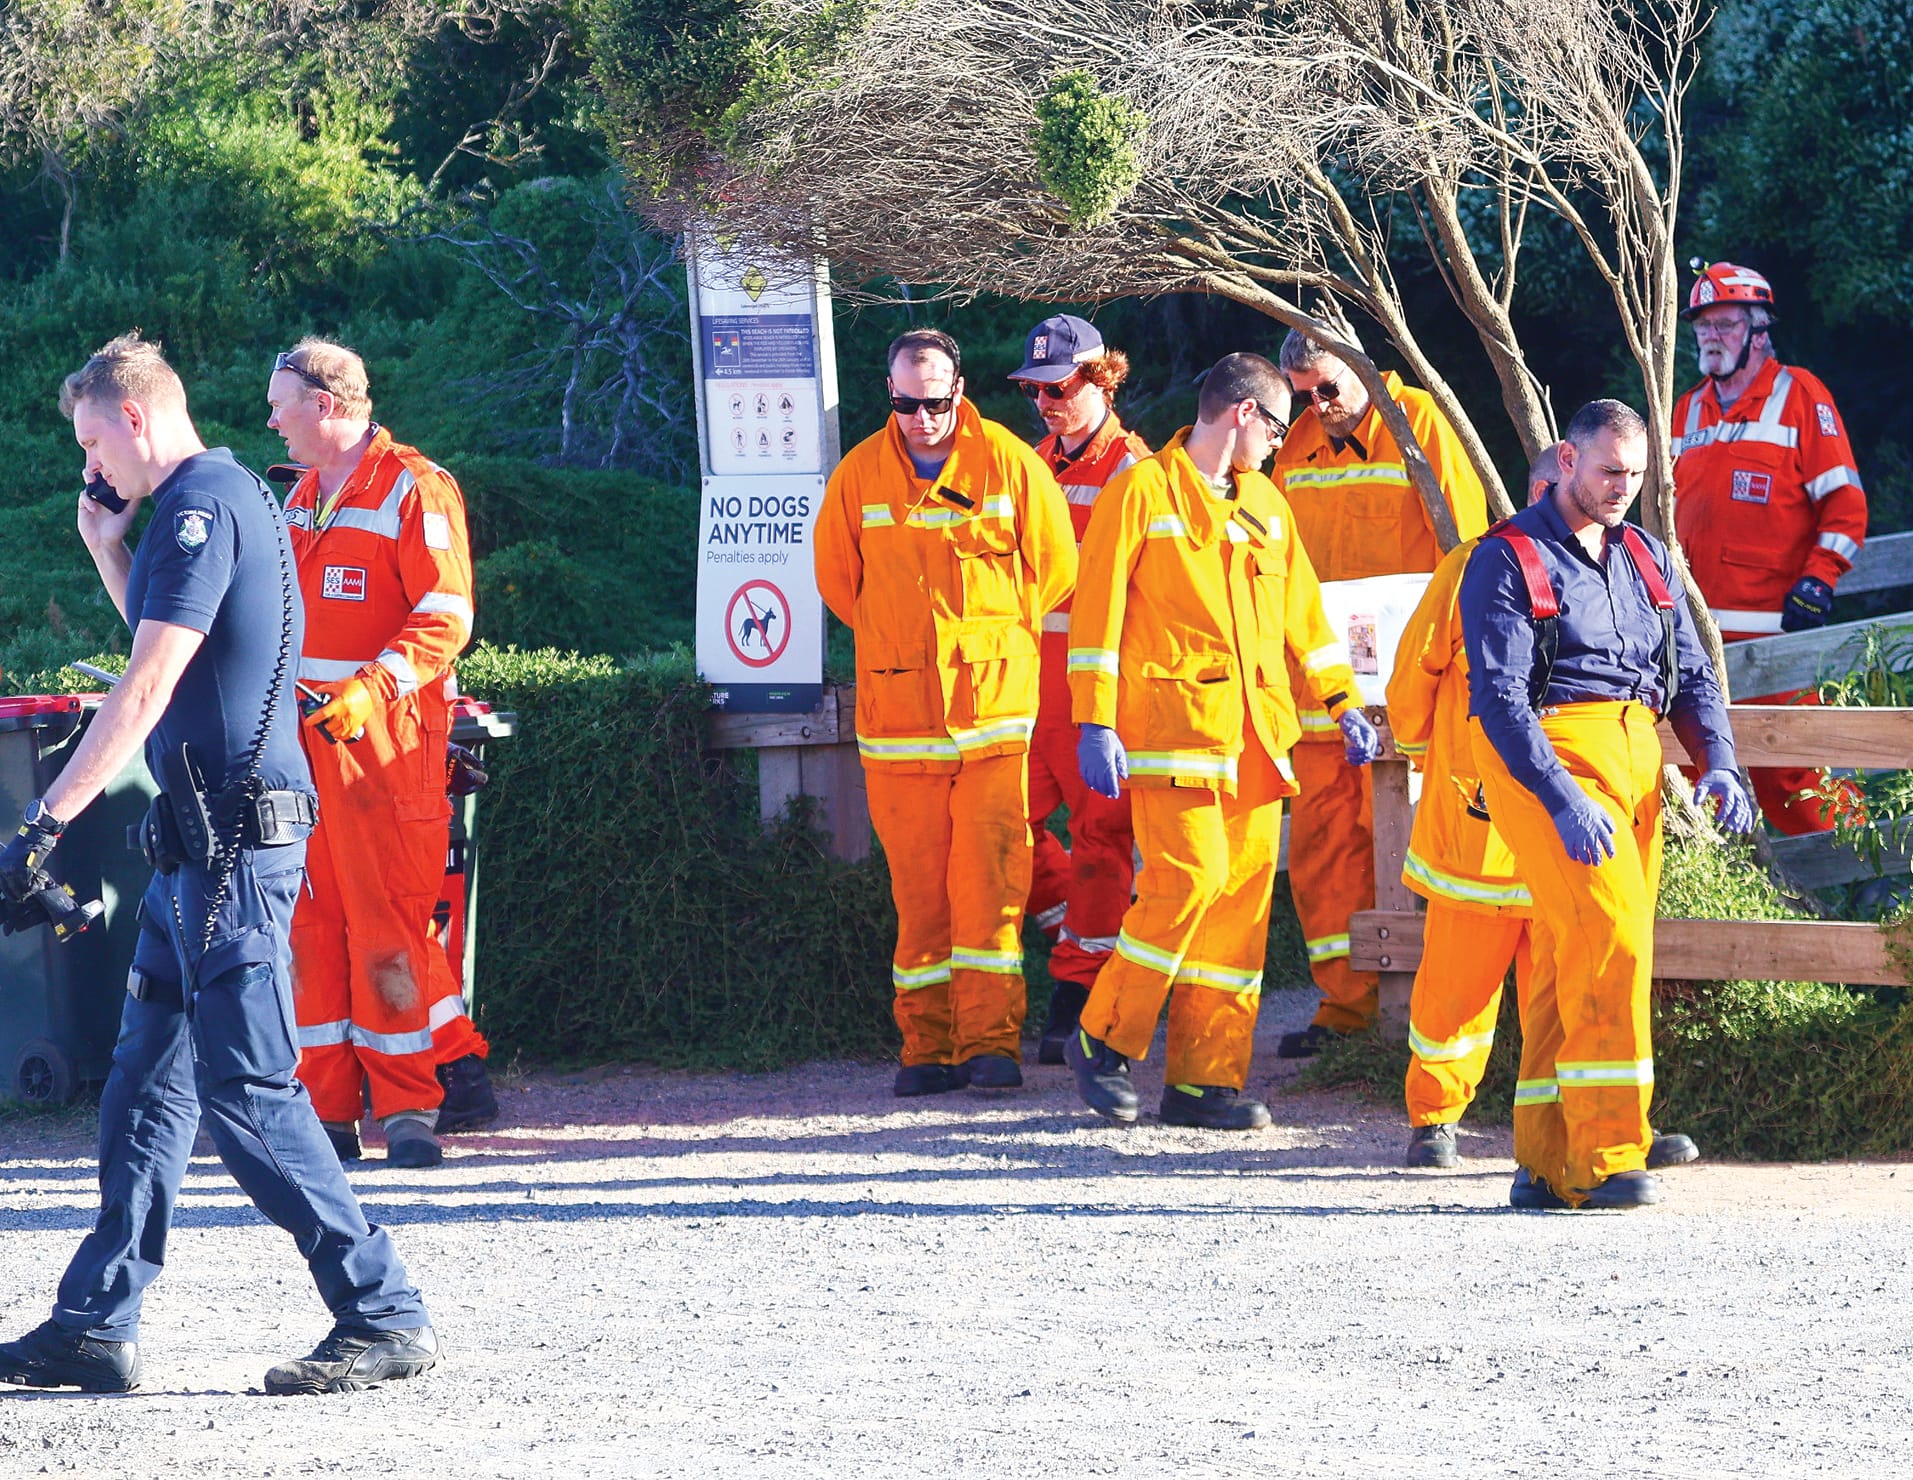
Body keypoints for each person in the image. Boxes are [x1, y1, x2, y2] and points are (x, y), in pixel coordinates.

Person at [0, 333, 436, 1394]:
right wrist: (110, 549)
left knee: (247, 1088)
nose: (92, 464)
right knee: (145, 1086)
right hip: (202, 847)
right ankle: (98, 1321)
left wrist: (42, 821)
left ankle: (382, 1308)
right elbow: (180, 659)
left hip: (231, 849)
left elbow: (145, 688)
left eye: (94, 439)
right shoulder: (213, 499)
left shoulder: (199, 507)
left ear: (136, 418)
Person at [1064, 352, 1381, 1130]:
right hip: (1174, 737)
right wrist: (1093, 719)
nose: (1281, 442)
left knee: (1236, 917)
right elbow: (1096, 615)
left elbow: (1304, 621)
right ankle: (1100, 1035)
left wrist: (1341, 702)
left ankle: (1204, 1082)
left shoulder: (1268, 505)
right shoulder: (1141, 492)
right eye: (1276, 426)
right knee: (1186, 883)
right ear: (1241, 414)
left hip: (1256, 740)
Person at [1460, 399, 1753, 1210]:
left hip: (1634, 757)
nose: (1622, 487)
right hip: (1549, 758)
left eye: (1634, 474)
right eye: (1607, 471)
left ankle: (1545, 1161)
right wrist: (1560, 799)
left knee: (1569, 955)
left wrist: (1718, 764)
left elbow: (1690, 676)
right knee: (1611, 938)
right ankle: (1609, 1155)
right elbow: (1499, 699)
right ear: (1564, 459)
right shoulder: (1506, 559)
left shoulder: (1649, 558)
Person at [815, 328, 1077, 1095]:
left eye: (934, 402)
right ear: (888, 398)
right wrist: (903, 644)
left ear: (958, 391)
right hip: (900, 732)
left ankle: (990, 1046)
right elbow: (839, 583)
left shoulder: (1010, 464)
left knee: (992, 891)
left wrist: (990, 639)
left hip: (994, 725)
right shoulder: (858, 476)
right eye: (906, 403)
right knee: (920, 899)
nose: (922, 417)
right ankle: (924, 1049)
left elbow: (1054, 572)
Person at [267, 338, 494, 1171]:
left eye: (280, 402)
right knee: (309, 933)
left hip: (384, 752)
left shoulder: (414, 488)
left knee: (387, 936)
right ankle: (326, 1116)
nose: (270, 418)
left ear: (325, 405)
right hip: (304, 753)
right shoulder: (299, 498)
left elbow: (444, 617)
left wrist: (370, 690)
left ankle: (407, 1111)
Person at [1272, 328, 1489, 1057]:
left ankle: (1425, 1005)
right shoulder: (1292, 443)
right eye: (1302, 394)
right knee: (1320, 850)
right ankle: (1345, 1007)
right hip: (1315, 699)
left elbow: (1466, 553)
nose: (1317, 407)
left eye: (1327, 388)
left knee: (1402, 843)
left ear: (1361, 366)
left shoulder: (1419, 424)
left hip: (1401, 695)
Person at [1671, 261, 1869, 834]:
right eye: (1703, 325)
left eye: (1725, 324)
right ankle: (1736, 900)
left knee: (1792, 770)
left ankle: (1861, 881)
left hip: (1773, 636)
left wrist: (1819, 577)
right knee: (1693, 769)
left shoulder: (1801, 395)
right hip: (1693, 637)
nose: (1711, 335)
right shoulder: (1686, 409)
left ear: (1760, 331)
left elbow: (1846, 505)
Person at [1009, 314, 1150, 1065]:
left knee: (1103, 845)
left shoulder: (1135, 471)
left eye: (1058, 387)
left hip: (1097, 695)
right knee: (1005, 829)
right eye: (1034, 391)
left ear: (1101, 377)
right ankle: (1081, 930)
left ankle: (1076, 997)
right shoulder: (1029, 465)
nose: (1046, 403)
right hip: (1027, 690)